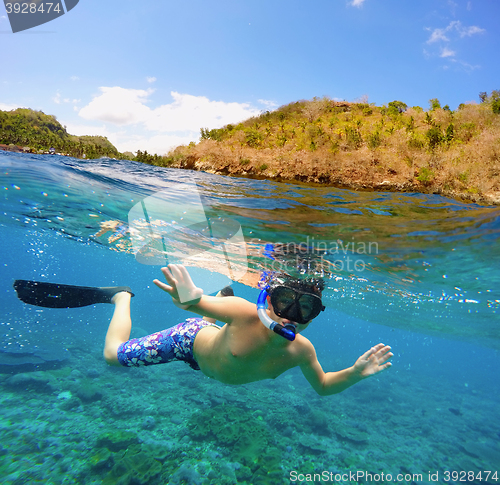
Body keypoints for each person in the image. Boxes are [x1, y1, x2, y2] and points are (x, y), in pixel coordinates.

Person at [103, 264, 392, 395]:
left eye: (305, 308)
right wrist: (189, 299)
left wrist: (354, 374)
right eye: (283, 303)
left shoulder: (302, 351)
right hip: (188, 342)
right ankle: (121, 297)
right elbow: (192, 303)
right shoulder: (245, 313)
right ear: (267, 301)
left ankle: (216, 311)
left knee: (212, 323)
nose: (290, 316)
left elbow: (324, 385)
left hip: (211, 353)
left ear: (313, 317)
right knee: (113, 357)